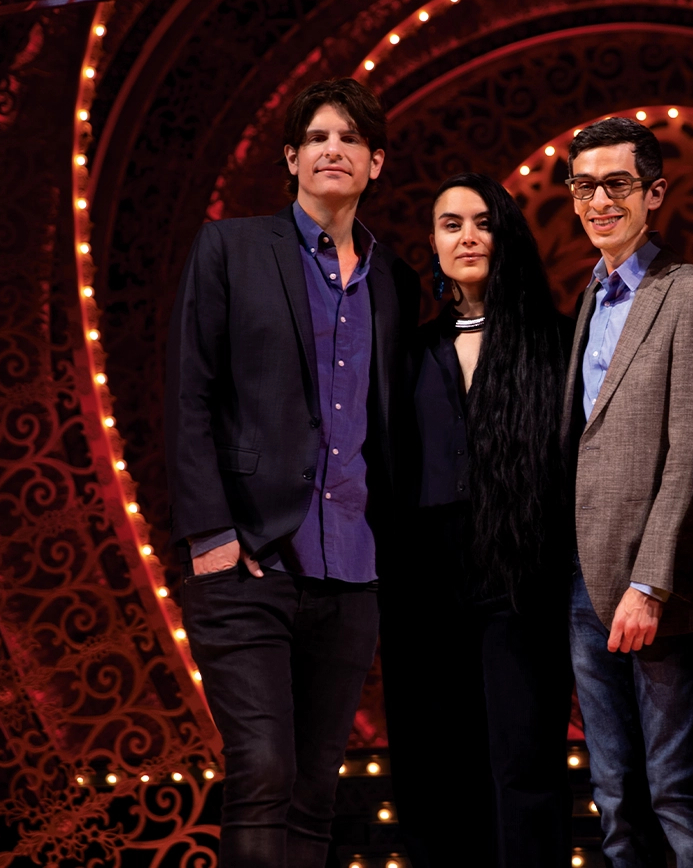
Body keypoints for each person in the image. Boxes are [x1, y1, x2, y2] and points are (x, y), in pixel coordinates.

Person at [164, 77, 420, 867]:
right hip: (248, 558)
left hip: (350, 570)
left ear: (375, 163)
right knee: (263, 770)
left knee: (315, 788)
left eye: (349, 139)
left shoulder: (395, 280)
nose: (333, 150)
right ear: (291, 159)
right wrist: (210, 535)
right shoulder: (232, 248)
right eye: (317, 138)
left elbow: (394, 428)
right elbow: (188, 393)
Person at [380, 173, 572, 867]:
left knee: (523, 761)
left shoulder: (555, 341)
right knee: (435, 766)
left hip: (520, 568)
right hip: (423, 573)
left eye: (482, 222)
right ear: (431, 243)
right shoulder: (410, 350)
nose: (466, 236)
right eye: (450, 224)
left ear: (507, 234)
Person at [559, 117, 693, 868]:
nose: (600, 200)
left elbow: (691, 451)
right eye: (584, 185)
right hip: (581, 586)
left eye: (617, 184)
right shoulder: (587, 301)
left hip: (653, 590)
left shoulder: (689, 293)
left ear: (653, 193)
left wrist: (650, 581)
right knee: (615, 796)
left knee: (675, 792)